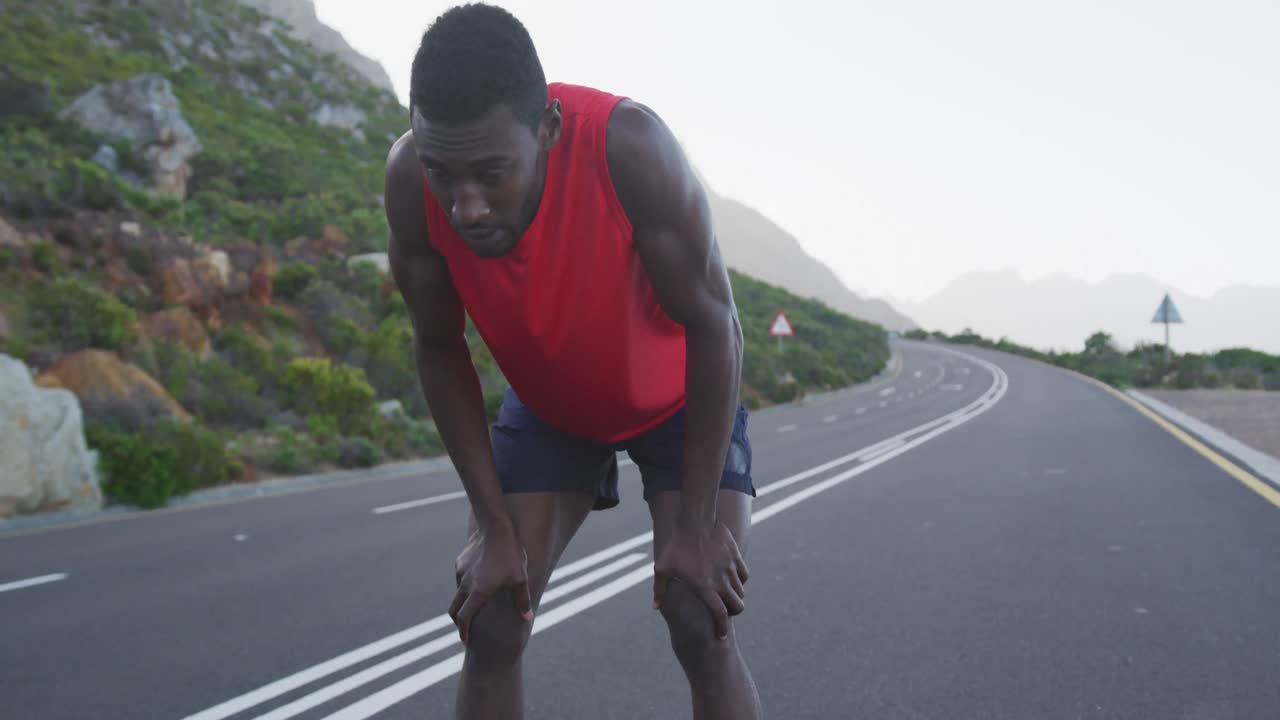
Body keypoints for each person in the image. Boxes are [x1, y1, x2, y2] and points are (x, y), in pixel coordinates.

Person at [384, 4, 764, 718]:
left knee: (696, 612)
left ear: (548, 130)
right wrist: (493, 530)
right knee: (492, 615)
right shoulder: (410, 182)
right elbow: (438, 348)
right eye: (444, 172)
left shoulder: (630, 148)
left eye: (490, 173)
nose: (465, 207)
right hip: (552, 405)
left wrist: (696, 529)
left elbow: (717, 324)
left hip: (677, 397)